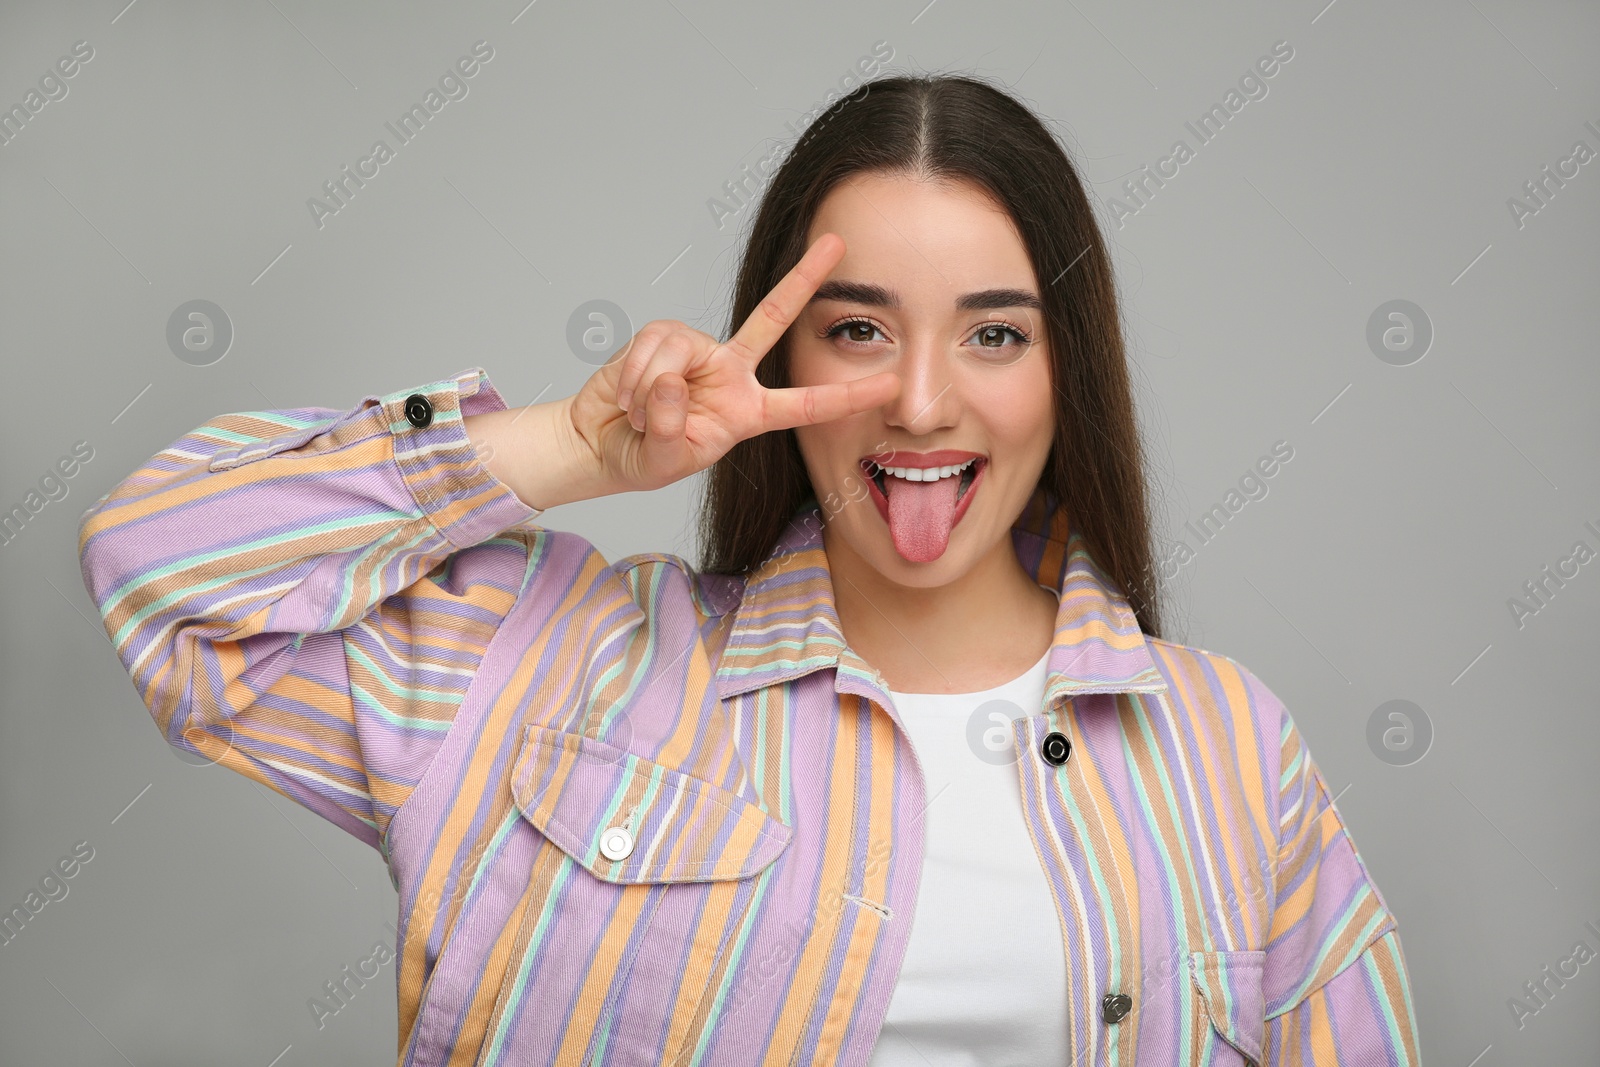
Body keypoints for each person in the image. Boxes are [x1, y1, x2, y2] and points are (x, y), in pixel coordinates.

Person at [77, 74, 1420, 1065]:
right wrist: (573, 448)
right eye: (858, 329)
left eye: (995, 336)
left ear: (1070, 370)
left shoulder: (1236, 755)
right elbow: (166, 565)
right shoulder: (550, 671)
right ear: (780, 365)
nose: (921, 402)